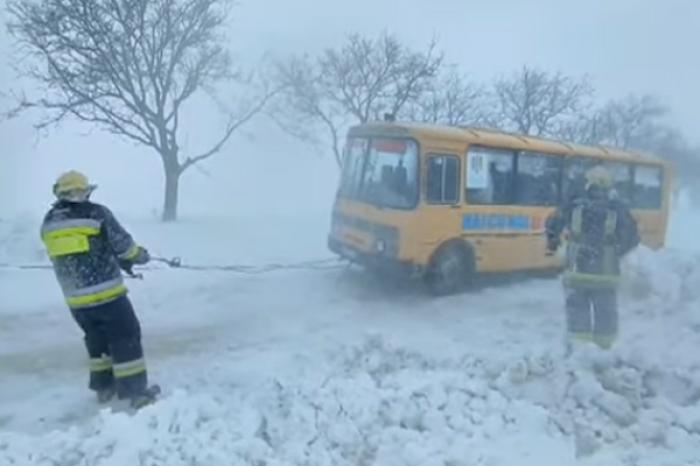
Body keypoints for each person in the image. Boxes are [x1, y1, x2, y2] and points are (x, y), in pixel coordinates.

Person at [40, 171, 159, 408]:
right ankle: (136, 393)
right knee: (126, 337)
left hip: (77, 302)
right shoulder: (96, 213)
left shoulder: (49, 221)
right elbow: (124, 247)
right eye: (83, 191)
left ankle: (104, 388)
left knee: (96, 340)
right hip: (108, 296)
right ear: (82, 192)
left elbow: (77, 254)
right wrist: (140, 256)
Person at [546, 165, 640, 350]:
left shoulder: (574, 205)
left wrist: (553, 242)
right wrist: (615, 252)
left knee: (577, 309)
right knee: (606, 312)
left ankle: (580, 348)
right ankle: (605, 349)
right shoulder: (618, 209)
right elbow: (633, 237)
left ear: (588, 184)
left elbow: (552, 224)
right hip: (606, 273)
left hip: (577, 270)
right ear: (608, 187)